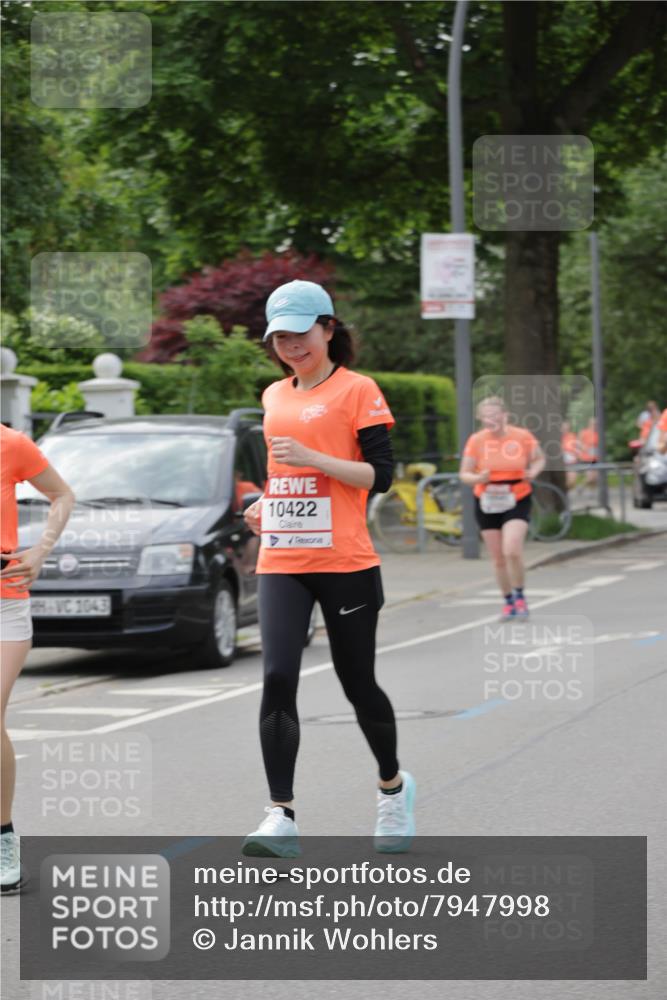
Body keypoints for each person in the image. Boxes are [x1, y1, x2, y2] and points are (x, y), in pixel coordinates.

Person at [241, 279, 415, 858]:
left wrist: (316, 458)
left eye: (301, 334)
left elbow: (381, 476)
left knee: (356, 682)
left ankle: (392, 786)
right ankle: (280, 815)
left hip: (345, 559)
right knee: (277, 677)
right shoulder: (273, 396)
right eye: (281, 337)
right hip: (283, 557)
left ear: (328, 328)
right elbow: (283, 475)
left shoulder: (357, 390)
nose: (292, 346)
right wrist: (265, 505)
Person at [0, 423, 75, 893]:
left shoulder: (9, 443)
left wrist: (42, 550)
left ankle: (3, 837)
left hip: (5, 601)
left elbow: (62, 495)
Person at [459, 397, 545, 621]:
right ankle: (508, 601)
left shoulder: (522, 436)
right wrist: (478, 477)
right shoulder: (476, 440)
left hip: (517, 496)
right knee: (498, 558)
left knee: (512, 550)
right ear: (480, 418)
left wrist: (533, 471)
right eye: (486, 416)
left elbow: (539, 459)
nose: (492, 420)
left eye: (495, 415)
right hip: (486, 499)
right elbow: (464, 474)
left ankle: (520, 596)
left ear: (505, 415)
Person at [578, 417, 598, 488]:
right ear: (589, 423)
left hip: (595, 458)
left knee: (595, 477)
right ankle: (580, 487)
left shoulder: (598, 433)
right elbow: (578, 443)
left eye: (595, 423)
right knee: (590, 477)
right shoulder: (584, 432)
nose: (594, 425)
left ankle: (592, 492)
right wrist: (584, 448)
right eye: (592, 423)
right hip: (586, 458)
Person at [560, 420, 581, 491]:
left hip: (572, 462)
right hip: (562, 463)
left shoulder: (573, 436)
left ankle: (567, 493)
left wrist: (577, 454)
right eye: (563, 427)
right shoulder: (557, 437)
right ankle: (565, 496)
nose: (565, 429)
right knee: (564, 482)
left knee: (572, 481)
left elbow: (579, 446)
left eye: (566, 427)